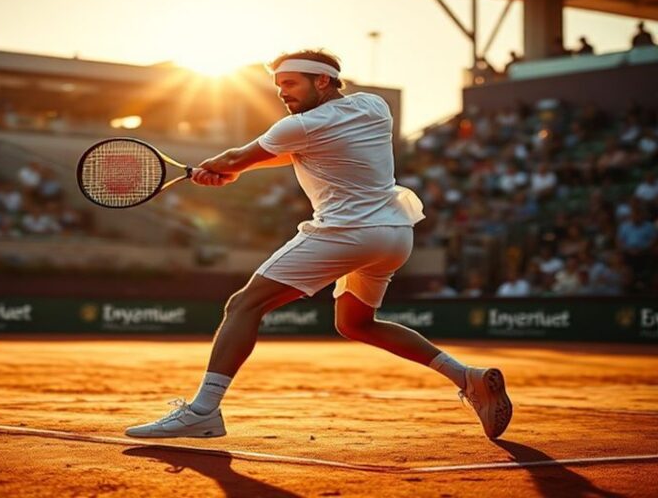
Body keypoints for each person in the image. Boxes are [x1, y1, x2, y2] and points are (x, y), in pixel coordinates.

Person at [125, 50, 512, 440]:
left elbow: (240, 156)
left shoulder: (299, 126)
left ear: (321, 81)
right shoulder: (373, 107)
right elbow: (293, 150)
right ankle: (467, 377)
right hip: (395, 234)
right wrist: (234, 170)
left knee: (244, 304)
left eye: (290, 84)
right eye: (278, 86)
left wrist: (218, 169)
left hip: (346, 233)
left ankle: (203, 411)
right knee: (355, 323)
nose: (282, 93)